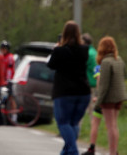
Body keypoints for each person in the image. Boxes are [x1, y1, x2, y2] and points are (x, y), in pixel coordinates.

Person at [47, 20, 91, 155]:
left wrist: (56, 49)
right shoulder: (84, 50)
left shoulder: (59, 51)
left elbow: (51, 65)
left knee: (63, 123)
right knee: (73, 124)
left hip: (64, 92)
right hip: (83, 92)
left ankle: (72, 150)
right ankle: (66, 151)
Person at [94, 36, 127, 155]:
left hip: (109, 98)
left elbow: (104, 85)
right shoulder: (119, 60)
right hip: (119, 96)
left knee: (110, 126)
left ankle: (112, 152)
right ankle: (115, 151)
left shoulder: (106, 62)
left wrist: (99, 100)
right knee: (114, 124)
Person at [82, 65, 103, 155]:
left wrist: (97, 95)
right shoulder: (117, 61)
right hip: (115, 98)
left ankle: (92, 148)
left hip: (103, 96)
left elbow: (99, 79)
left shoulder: (99, 66)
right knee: (112, 125)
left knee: (95, 122)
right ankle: (114, 150)